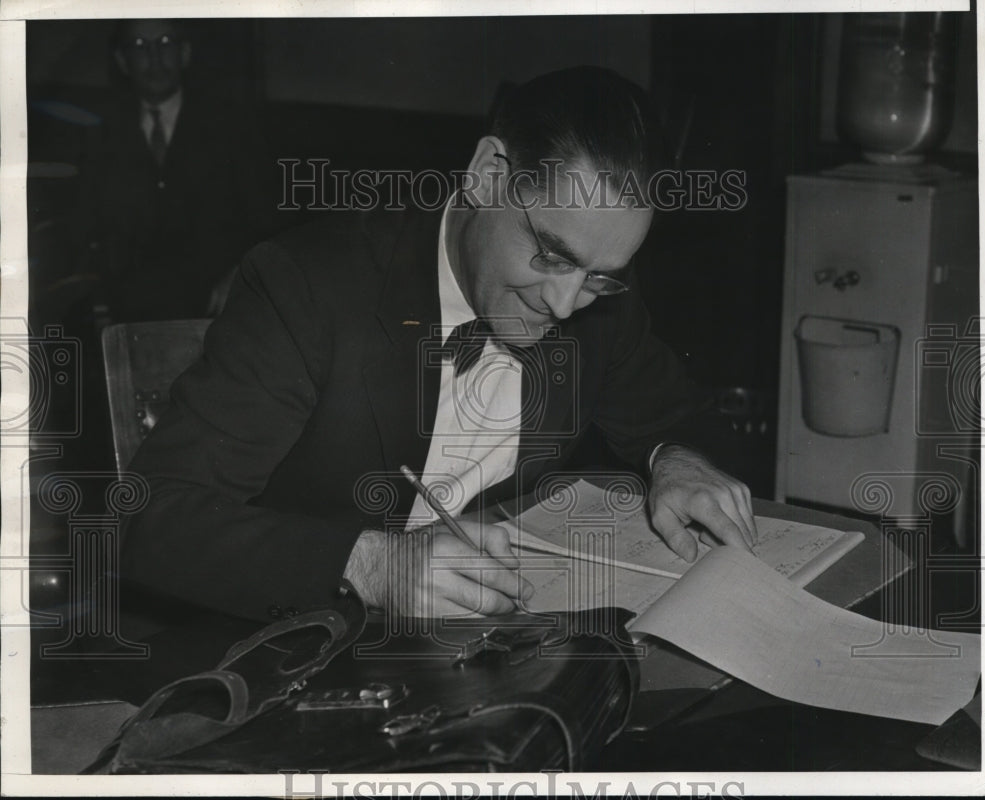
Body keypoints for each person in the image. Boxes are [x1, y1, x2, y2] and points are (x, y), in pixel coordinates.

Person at [122, 66, 756, 623]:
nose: (565, 306)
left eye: (597, 277)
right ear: (487, 175)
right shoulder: (308, 289)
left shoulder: (596, 280)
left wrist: (677, 459)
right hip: (309, 652)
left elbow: (676, 417)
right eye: (551, 256)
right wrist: (371, 567)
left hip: (500, 651)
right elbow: (147, 521)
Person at [74, 18, 275, 322]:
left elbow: (266, 221)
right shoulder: (99, 136)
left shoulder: (232, 128)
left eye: (166, 43)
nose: (155, 58)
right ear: (122, 61)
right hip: (130, 317)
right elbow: (89, 234)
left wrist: (241, 273)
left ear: (185, 53)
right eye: (140, 46)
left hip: (219, 313)